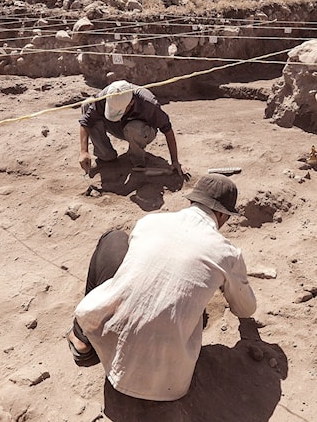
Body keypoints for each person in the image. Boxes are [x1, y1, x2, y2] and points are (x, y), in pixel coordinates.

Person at [66, 174, 257, 401]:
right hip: (169, 384)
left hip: (111, 348)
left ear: (192, 201)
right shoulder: (228, 254)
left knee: (114, 240)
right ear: (223, 215)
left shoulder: (150, 222)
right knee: (193, 310)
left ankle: (83, 337)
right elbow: (246, 310)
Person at [78, 80, 188, 178]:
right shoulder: (107, 95)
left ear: (131, 103)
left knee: (133, 128)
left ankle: (137, 159)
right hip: (120, 126)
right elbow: (86, 121)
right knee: (87, 105)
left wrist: (175, 161)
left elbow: (167, 129)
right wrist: (84, 151)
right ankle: (106, 155)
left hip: (143, 131)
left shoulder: (148, 103)